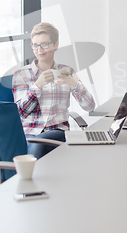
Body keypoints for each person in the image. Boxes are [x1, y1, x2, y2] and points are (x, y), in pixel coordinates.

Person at [12, 23, 96, 159]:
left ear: (56, 44)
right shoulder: (21, 74)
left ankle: (30, 175)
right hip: (30, 134)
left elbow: (90, 106)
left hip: (57, 132)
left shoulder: (67, 72)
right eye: (35, 45)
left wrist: (74, 84)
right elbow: (21, 112)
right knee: (37, 142)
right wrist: (37, 86)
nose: (39, 49)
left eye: (45, 44)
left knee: (40, 143)